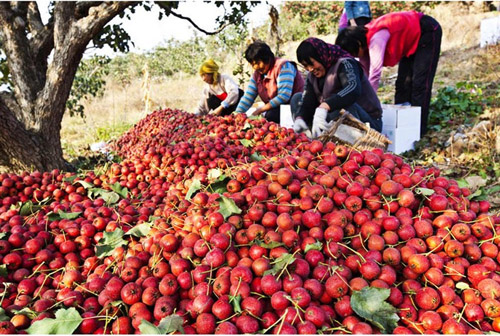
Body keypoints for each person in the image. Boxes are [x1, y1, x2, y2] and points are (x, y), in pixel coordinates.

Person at [335, 10, 442, 136]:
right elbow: (364, 76)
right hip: (409, 41)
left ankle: (418, 131)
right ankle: (403, 126)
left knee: (420, 84)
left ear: (357, 44)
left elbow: (374, 74)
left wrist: (369, 103)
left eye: (353, 53)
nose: (355, 57)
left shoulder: (376, 38)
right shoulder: (363, 46)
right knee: (402, 85)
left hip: (426, 30)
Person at [291, 37, 383, 138]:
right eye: (306, 66)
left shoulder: (346, 64)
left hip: (366, 121)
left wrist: (324, 106)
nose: (310, 69)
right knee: (297, 98)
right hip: (332, 119)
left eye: (311, 63)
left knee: (342, 108)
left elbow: (353, 89)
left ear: (321, 56)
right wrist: (300, 118)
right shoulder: (312, 76)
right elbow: (307, 101)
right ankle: (311, 139)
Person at [235, 41, 304, 124]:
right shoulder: (257, 74)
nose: (255, 67)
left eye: (258, 63)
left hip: (297, 107)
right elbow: (248, 97)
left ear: (267, 58)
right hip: (276, 109)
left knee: (270, 116)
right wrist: (236, 114)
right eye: (252, 64)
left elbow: (284, 96)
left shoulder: (283, 66)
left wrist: (260, 110)